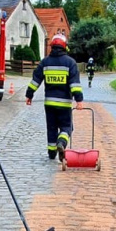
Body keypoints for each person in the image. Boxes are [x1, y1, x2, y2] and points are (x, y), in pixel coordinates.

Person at [26, 33, 84, 161]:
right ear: (65, 47)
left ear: (52, 46)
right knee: (67, 127)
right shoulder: (70, 63)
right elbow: (74, 84)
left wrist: (29, 95)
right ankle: (61, 143)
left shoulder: (45, 62)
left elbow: (36, 80)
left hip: (49, 104)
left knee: (51, 128)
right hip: (64, 104)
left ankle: (52, 153)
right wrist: (79, 100)